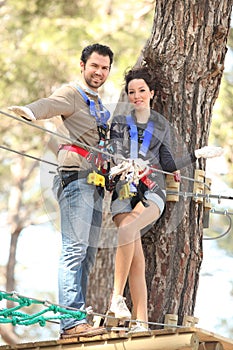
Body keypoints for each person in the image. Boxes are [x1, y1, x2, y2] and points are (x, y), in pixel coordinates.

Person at [9, 43, 114, 338]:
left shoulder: (102, 109)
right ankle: (71, 321)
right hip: (75, 179)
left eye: (104, 68)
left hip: (95, 184)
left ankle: (76, 320)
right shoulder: (72, 94)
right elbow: (49, 103)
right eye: (94, 66)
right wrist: (29, 112)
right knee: (74, 250)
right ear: (82, 65)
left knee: (88, 255)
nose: (99, 72)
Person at [108, 66, 223, 333]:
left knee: (128, 229)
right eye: (132, 92)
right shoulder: (119, 124)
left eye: (141, 91)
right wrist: (123, 163)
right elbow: (113, 152)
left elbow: (169, 164)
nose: (137, 96)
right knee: (136, 258)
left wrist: (196, 154)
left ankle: (116, 298)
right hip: (124, 191)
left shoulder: (160, 126)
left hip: (152, 191)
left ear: (152, 93)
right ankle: (141, 322)